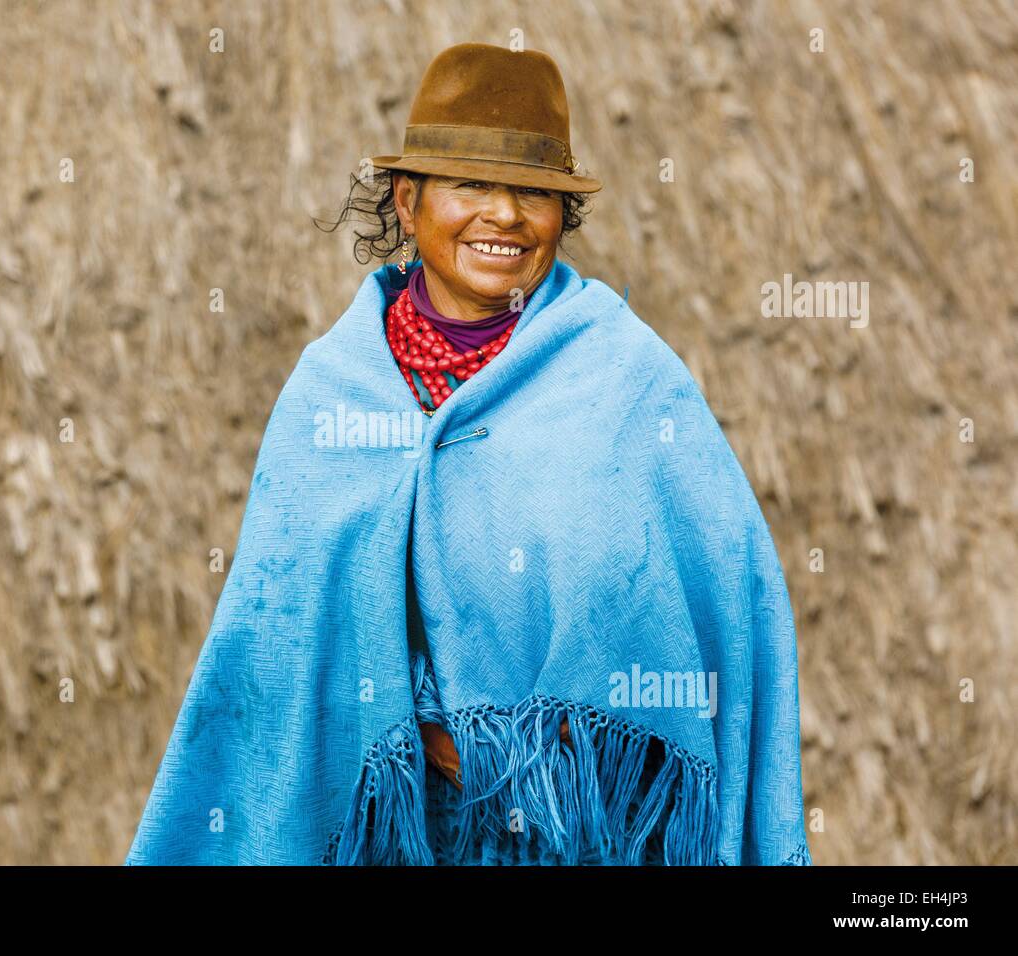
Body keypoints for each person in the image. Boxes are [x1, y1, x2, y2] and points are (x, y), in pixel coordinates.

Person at [125, 41, 811, 866]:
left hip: (574, 829)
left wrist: (567, 726)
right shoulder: (332, 391)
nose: (506, 216)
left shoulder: (626, 379)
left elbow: (725, 594)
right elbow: (276, 631)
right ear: (408, 205)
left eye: (534, 191)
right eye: (472, 186)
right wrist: (406, 724)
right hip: (380, 830)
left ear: (564, 214)